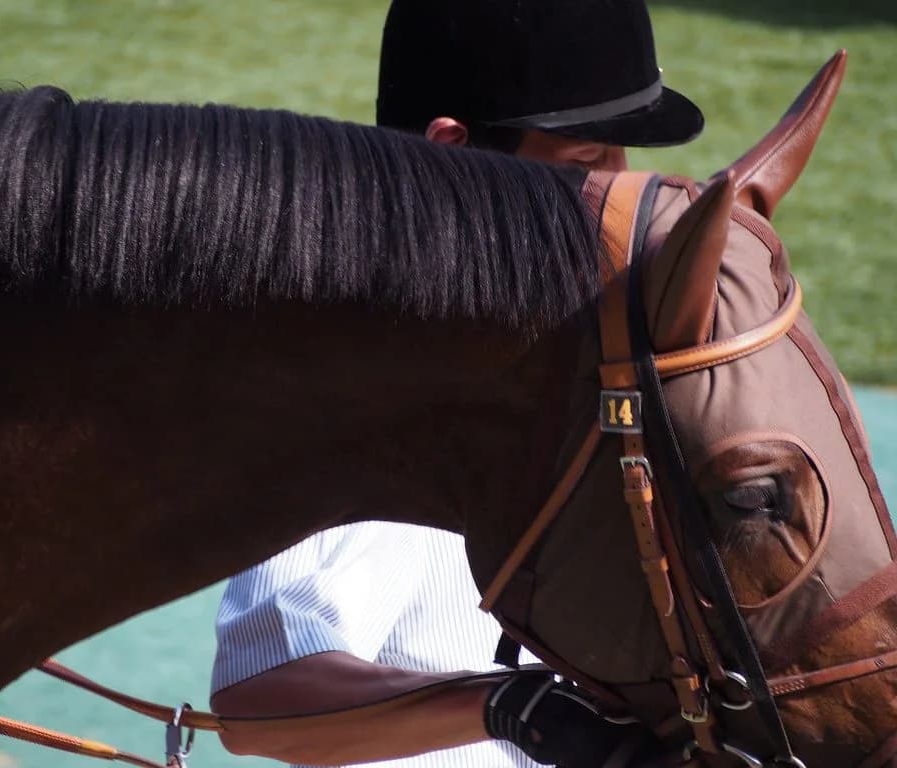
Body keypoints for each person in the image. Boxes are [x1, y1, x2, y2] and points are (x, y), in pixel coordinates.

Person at [211, 1, 704, 766]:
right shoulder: (361, 388)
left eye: (622, 159)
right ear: (453, 154)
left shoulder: (574, 341)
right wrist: (512, 707)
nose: (620, 195)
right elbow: (264, 698)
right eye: (586, 164)